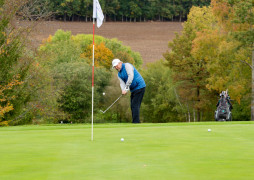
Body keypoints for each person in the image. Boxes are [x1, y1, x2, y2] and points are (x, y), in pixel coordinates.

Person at [112, 59, 146, 123]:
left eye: (116, 65)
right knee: (132, 105)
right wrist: (123, 90)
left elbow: (131, 76)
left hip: (140, 86)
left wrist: (126, 88)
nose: (116, 67)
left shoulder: (127, 66)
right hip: (133, 89)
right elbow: (122, 83)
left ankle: (136, 122)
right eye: (114, 67)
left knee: (135, 105)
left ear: (120, 63)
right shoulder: (119, 74)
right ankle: (135, 121)